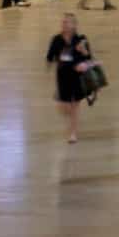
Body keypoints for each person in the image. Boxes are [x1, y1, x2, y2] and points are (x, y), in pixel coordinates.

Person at [43, 14, 96, 143]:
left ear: (74, 25)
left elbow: (89, 58)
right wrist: (49, 66)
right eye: (63, 22)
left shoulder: (81, 39)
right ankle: (69, 117)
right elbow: (49, 57)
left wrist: (84, 52)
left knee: (74, 106)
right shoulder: (56, 40)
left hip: (77, 78)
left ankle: (73, 133)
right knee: (64, 108)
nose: (64, 25)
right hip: (62, 77)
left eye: (67, 22)